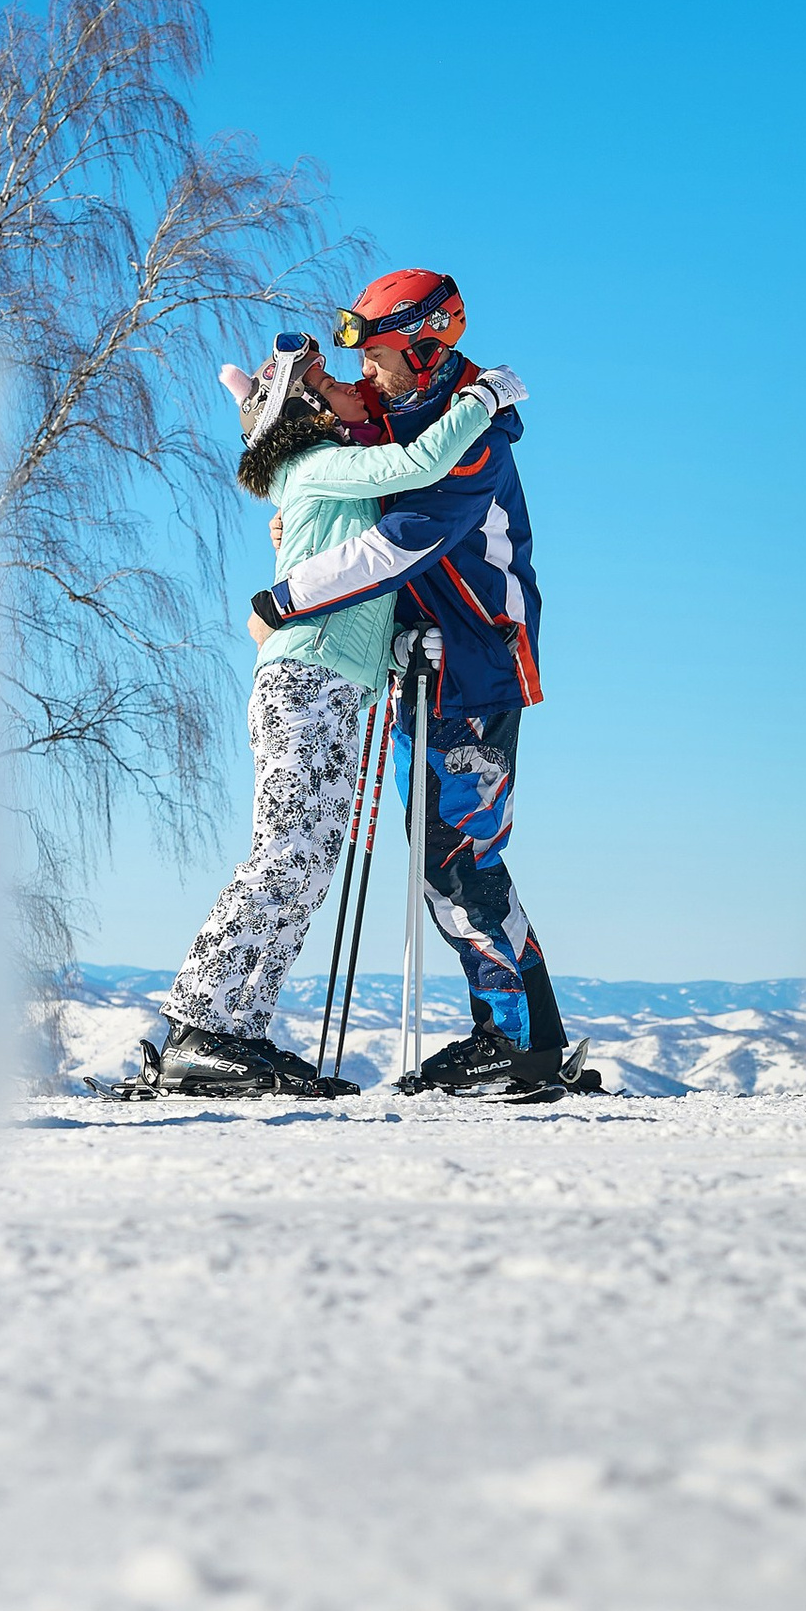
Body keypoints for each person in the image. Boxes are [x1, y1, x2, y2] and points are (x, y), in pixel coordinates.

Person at [145, 331, 525, 1098]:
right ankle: (195, 1026)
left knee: (308, 867)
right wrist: (483, 400)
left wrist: (399, 646)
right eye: (319, 386)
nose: (342, 391)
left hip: (332, 686)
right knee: (286, 855)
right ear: (302, 414)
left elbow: (362, 588)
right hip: (303, 683)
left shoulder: (320, 480)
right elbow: (419, 464)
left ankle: (236, 1032)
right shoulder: (320, 464)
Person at [246, 266, 573, 1096]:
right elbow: (309, 450)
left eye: (380, 357)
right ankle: (529, 1037)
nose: (366, 374)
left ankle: (515, 1042)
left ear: (427, 351)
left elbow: (394, 547)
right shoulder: (395, 408)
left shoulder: (474, 440)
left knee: (456, 857)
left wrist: (281, 601)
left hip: (476, 664)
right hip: (419, 664)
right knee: (444, 854)